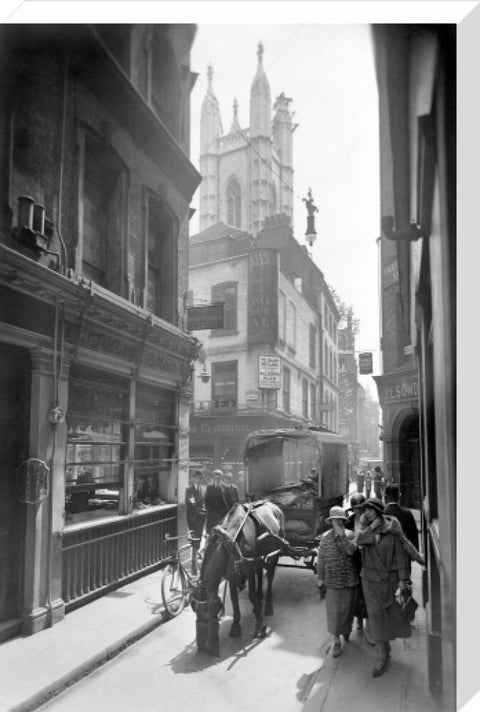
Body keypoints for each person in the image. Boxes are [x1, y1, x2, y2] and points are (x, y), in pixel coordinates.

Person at [356, 497, 409, 677]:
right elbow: (360, 541)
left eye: (370, 509)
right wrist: (372, 526)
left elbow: (400, 555)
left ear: (378, 510)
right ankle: (381, 657)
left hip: (389, 580)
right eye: (364, 510)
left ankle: (385, 648)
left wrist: (403, 580)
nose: (366, 513)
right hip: (369, 580)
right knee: (376, 617)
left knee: (388, 616)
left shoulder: (392, 528)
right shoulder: (364, 528)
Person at [317, 506, 359, 658]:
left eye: (340, 520)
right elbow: (321, 559)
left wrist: (342, 536)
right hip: (333, 581)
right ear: (330, 521)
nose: (337, 522)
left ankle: (346, 630)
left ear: (344, 521)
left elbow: (351, 551)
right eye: (335, 520)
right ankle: (336, 640)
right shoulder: (325, 537)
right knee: (334, 611)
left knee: (347, 610)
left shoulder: (351, 535)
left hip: (349, 580)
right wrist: (320, 578)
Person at [345, 493, 370, 636]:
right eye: (355, 508)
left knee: (367, 592)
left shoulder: (371, 521)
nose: (358, 511)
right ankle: (359, 619)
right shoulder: (348, 522)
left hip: (367, 561)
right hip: (353, 561)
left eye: (361, 508)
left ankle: (367, 621)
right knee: (355, 592)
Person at [185, 471, 206, 571]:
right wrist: (197, 504)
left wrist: (198, 504)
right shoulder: (189, 489)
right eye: (197, 478)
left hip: (201, 518)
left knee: (199, 538)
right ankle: (193, 560)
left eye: (200, 478)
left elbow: (201, 502)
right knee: (194, 538)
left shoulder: (203, 489)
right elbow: (189, 502)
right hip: (192, 518)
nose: (198, 479)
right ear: (193, 478)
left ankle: (195, 556)